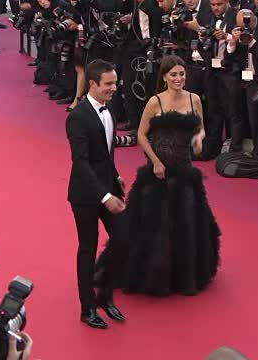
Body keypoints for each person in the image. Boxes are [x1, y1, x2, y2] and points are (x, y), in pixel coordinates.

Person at [99, 55, 221, 297]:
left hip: (185, 170)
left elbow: (200, 127)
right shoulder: (156, 102)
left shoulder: (194, 99)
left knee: (186, 222)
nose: (178, 79)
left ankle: (183, 276)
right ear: (164, 77)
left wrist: (199, 138)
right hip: (158, 171)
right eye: (173, 75)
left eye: (182, 74)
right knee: (153, 226)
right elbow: (142, 135)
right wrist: (155, 162)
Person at [65, 59, 128, 330]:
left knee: (123, 241)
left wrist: (115, 177)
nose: (114, 88)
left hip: (108, 187)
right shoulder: (77, 117)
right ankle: (87, 308)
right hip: (85, 194)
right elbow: (81, 162)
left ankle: (106, 296)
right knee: (88, 249)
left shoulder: (109, 109)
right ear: (92, 84)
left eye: (115, 82)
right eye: (109, 84)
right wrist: (104, 195)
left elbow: (105, 152)